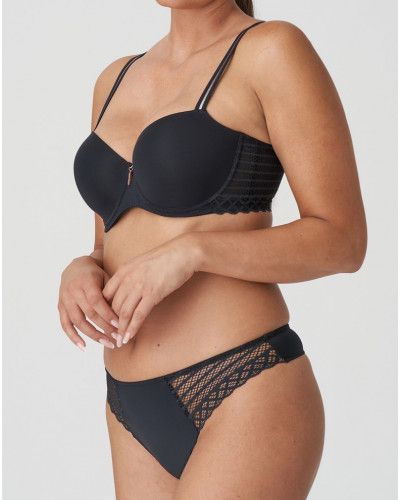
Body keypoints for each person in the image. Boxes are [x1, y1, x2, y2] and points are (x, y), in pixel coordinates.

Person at [58, 0, 367, 498]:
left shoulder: (271, 50)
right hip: (128, 401)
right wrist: (82, 267)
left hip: (241, 381)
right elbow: (111, 238)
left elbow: (342, 240)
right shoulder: (114, 79)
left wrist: (194, 252)